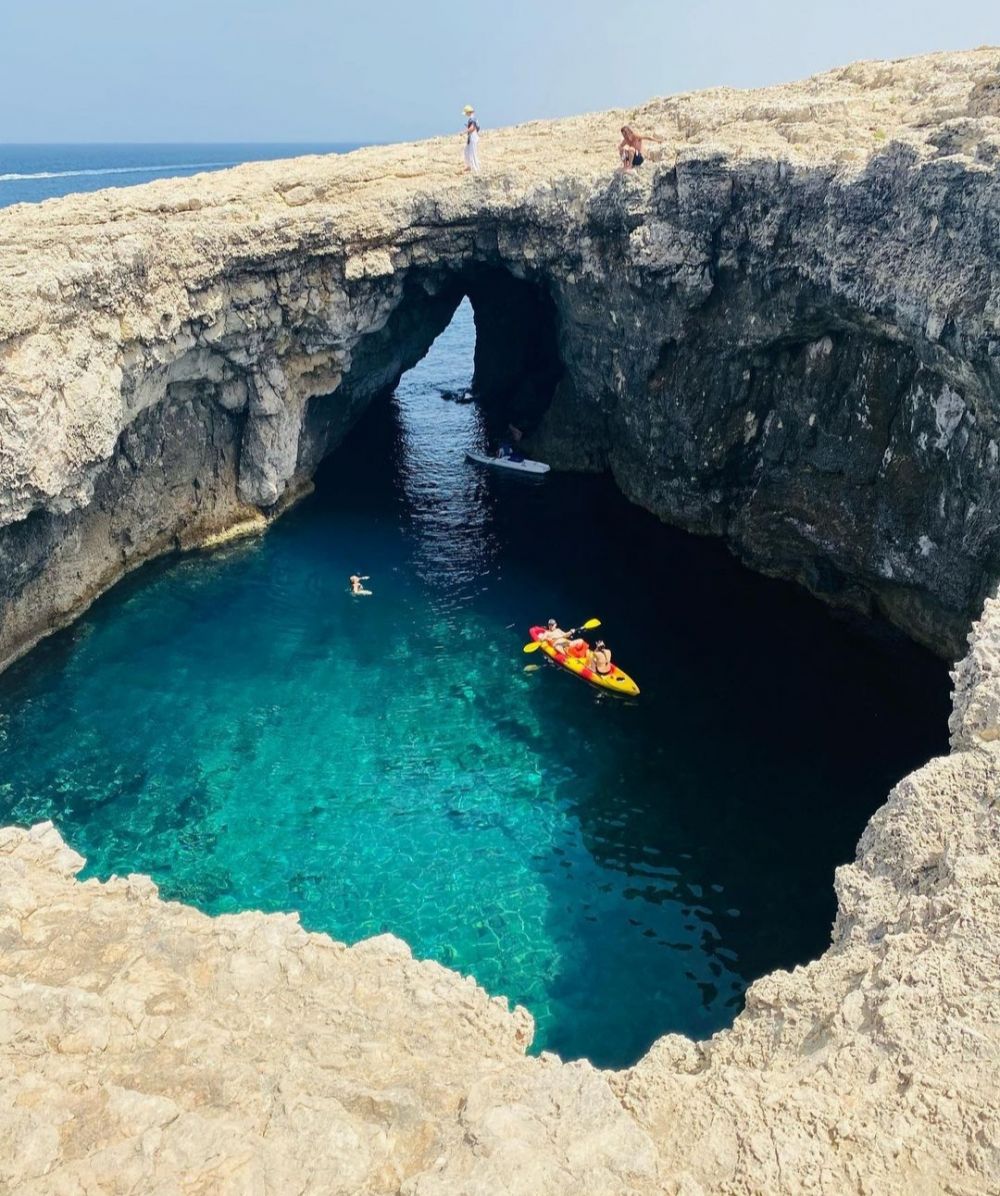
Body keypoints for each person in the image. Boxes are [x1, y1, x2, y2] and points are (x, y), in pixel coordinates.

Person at [462, 105, 481, 174]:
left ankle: (476, 169)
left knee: (472, 153)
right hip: (472, 137)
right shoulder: (474, 119)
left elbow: (472, 128)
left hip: (473, 137)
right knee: (466, 151)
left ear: (468, 112)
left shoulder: (472, 119)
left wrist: (464, 131)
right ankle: (469, 166)